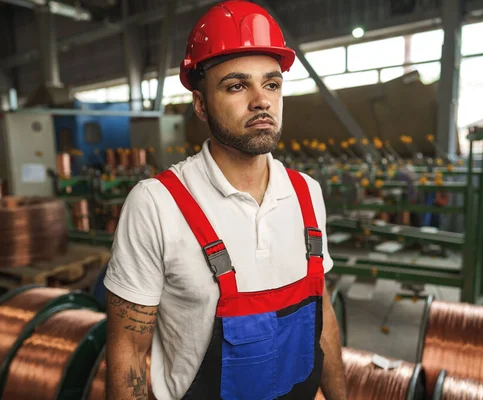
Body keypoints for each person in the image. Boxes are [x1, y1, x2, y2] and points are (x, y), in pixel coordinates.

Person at [104, 1, 347, 399]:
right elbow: (128, 350)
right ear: (200, 104)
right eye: (237, 85)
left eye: (271, 84)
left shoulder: (307, 194)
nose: (261, 100)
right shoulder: (157, 205)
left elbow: (324, 316)